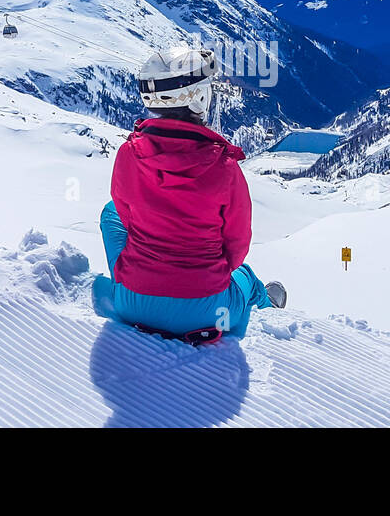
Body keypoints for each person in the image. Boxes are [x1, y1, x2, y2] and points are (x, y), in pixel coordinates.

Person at [100, 46, 286, 342]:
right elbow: (236, 246)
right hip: (207, 313)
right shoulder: (225, 169)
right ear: (200, 98)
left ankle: (132, 282)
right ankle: (268, 305)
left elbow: (125, 213)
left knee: (110, 214)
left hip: (132, 304)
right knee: (246, 277)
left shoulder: (127, 154)